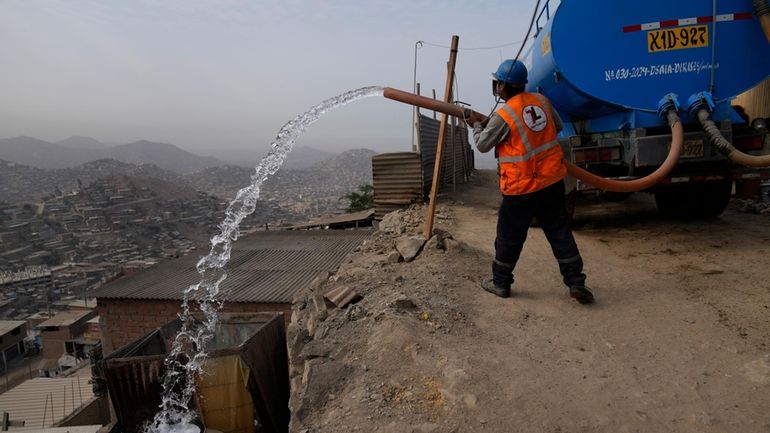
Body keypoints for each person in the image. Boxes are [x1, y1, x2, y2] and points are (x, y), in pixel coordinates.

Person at [465, 59, 594, 304]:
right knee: (559, 232)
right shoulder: (542, 102)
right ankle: (576, 282)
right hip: (551, 183)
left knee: (509, 236)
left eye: (497, 83)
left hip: (521, 188)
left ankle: (500, 283)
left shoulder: (504, 115)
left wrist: (477, 126)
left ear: (501, 86)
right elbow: (555, 127)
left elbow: (482, 145)